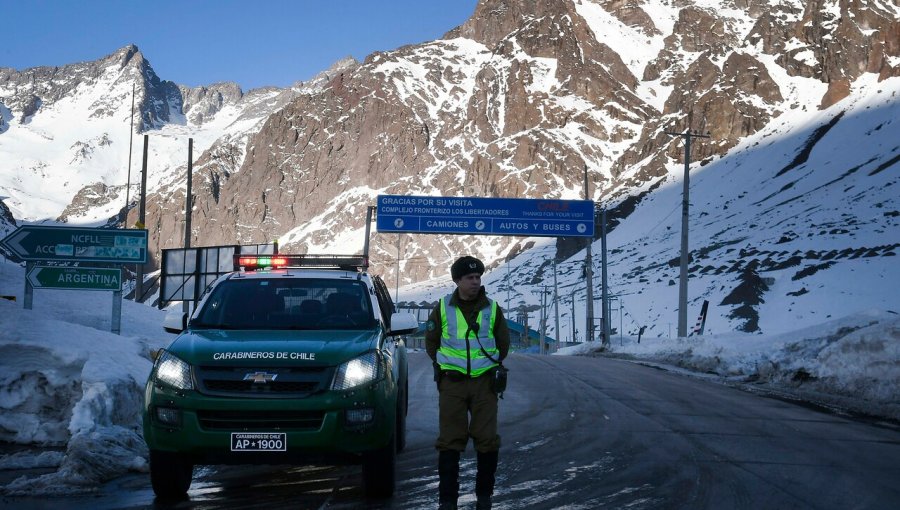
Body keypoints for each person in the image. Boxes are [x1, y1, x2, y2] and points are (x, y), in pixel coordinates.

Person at [425, 255, 510, 510]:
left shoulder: (492, 309)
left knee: (487, 439)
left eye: (478, 277)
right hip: (452, 383)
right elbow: (431, 342)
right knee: (450, 440)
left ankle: (484, 498)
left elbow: (503, 344)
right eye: (469, 278)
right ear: (457, 281)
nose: (475, 282)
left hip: (485, 384)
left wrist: (488, 365)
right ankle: (447, 501)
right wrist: (446, 366)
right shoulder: (442, 308)